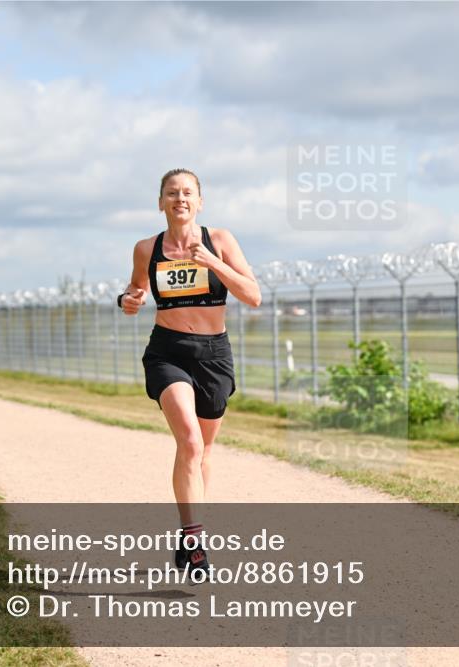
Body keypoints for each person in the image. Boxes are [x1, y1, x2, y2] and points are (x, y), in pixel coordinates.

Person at [119, 168, 261, 579]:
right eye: (171, 193)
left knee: (204, 452)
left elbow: (253, 296)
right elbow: (135, 291)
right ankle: (196, 541)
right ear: (160, 202)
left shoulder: (221, 241)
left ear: (200, 201)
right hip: (168, 352)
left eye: (187, 193)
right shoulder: (148, 248)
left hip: (214, 354)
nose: (179, 199)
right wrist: (128, 300)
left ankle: (188, 533)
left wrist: (212, 261)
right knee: (190, 441)